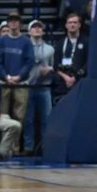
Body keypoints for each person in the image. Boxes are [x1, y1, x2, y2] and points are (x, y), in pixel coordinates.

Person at [23, 19, 54, 155]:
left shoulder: (50, 49)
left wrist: (50, 69)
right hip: (27, 86)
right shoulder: (24, 47)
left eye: (39, 27)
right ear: (29, 31)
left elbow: (54, 65)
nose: (37, 29)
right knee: (28, 119)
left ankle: (45, 146)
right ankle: (28, 147)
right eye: (34, 27)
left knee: (46, 118)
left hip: (44, 86)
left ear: (43, 30)